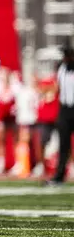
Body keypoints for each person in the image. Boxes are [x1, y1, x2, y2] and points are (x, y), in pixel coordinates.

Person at [47, 46, 74, 185]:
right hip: (64, 109)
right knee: (63, 144)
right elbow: (57, 87)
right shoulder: (61, 68)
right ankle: (59, 175)